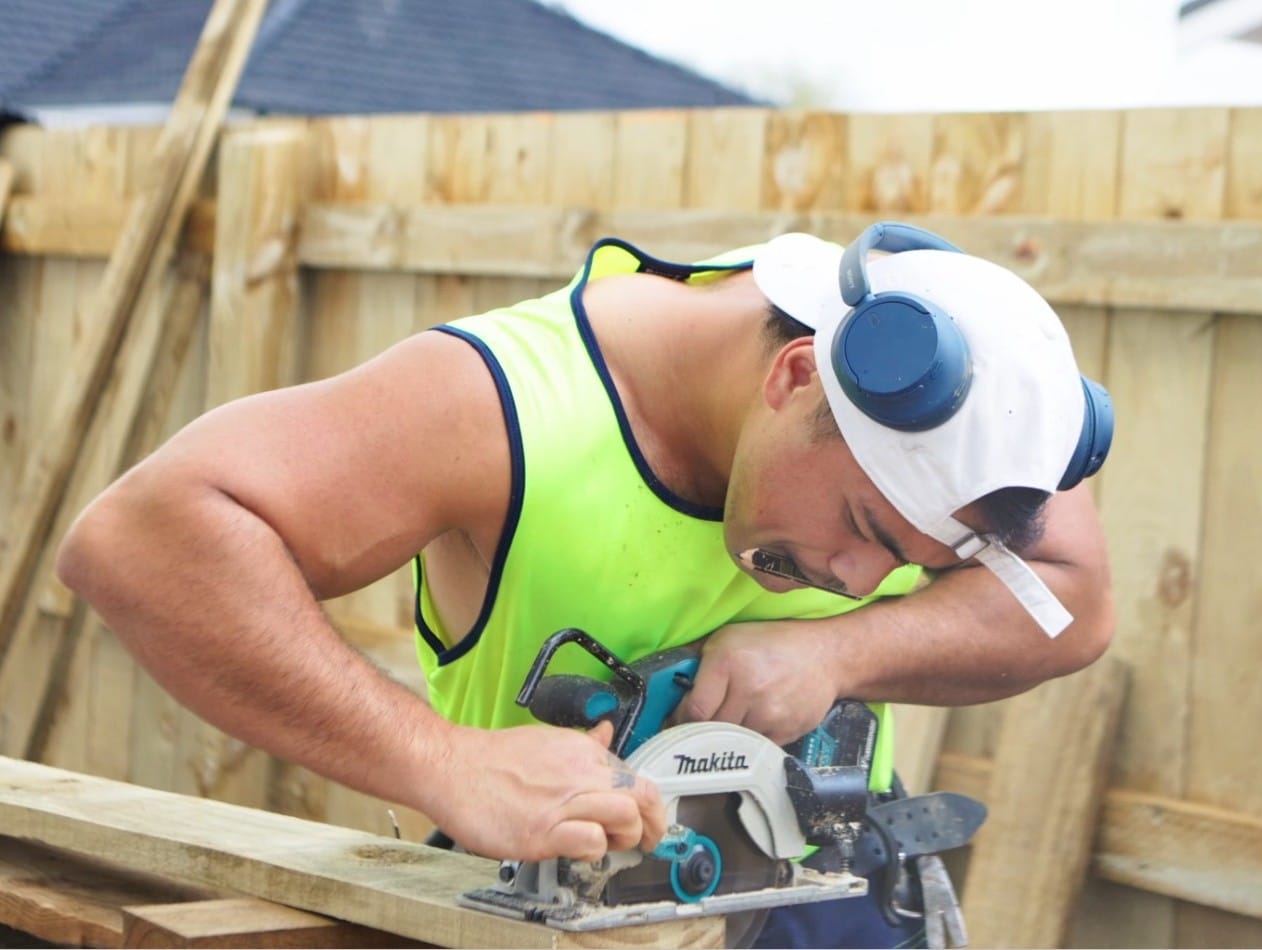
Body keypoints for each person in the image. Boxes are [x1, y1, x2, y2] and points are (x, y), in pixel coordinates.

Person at [57, 221, 1115, 948]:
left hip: (819, 892)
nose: (858, 578)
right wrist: (442, 760)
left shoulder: (957, 404)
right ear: (795, 375)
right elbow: (141, 539)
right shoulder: (507, 404)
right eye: (862, 526)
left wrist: (843, 650)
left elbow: (1068, 596)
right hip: (549, 909)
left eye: (910, 566)